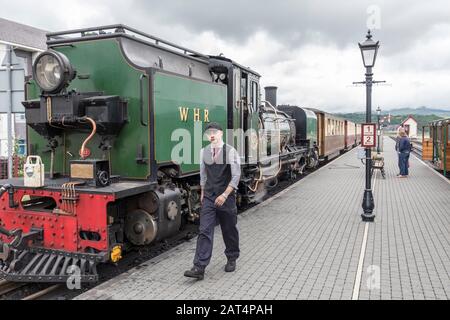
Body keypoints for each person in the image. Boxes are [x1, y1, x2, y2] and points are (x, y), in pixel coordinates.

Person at [184, 122, 241, 280]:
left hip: (226, 197)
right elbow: (203, 174)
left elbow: (236, 176)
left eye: (215, 132)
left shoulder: (230, 152)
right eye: (209, 133)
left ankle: (232, 257)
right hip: (209, 196)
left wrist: (224, 195)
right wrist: (203, 192)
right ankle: (199, 267)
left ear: (221, 134)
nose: (212, 135)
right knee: (204, 230)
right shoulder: (204, 152)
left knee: (229, 229)